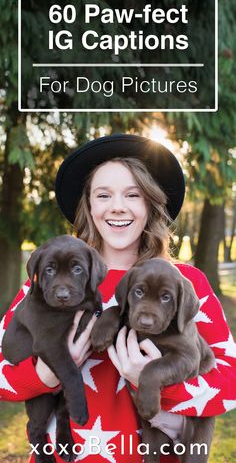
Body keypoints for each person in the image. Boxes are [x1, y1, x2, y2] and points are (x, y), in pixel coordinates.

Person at [0, 133, 236, 463]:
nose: (118, 206)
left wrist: (159, 387)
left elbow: (230, 381)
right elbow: (2, 369)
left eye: (132, 195)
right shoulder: (50, 282)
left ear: (150, 203)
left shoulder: (185, 282)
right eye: (103, 195)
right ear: (89, 205)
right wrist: (44, 376)